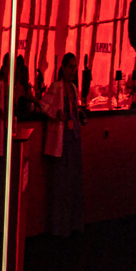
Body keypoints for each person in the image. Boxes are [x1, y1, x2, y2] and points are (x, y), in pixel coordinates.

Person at [42, 53, 85, 237]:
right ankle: (59, 227)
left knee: (73, 182)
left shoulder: (74, 88)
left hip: (73, 137)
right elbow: (43, 105)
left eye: (75, 67)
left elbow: (75, 109)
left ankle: (71, 224)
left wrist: (80, 115)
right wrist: (56, 113)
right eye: (70, 67)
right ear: (63, 68)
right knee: (61, 183)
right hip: (62, 139)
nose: (73, 71)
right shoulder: (57, 87)